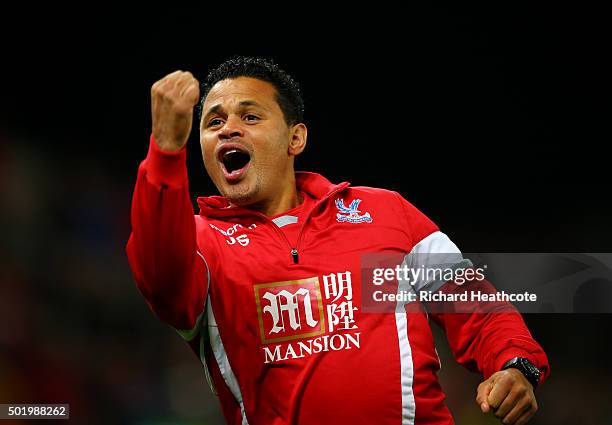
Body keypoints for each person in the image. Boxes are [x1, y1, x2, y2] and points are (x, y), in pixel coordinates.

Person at [126, 56, 549, 425]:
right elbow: (161, 282)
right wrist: (164, 152)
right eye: (213, 121)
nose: (228, 129)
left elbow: (473, 304)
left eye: (250, 117)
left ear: (296, 138)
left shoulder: (384, 214)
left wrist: (515, 365)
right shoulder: (203, 243)